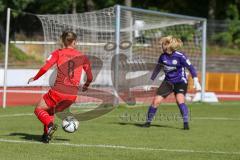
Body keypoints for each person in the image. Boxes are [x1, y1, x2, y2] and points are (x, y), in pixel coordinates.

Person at [28, 31, 93, 143]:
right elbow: (90, 77)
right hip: (72, 95)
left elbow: (45, 67)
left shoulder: (58, 53)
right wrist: (86, 86)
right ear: (74, 42)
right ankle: (46, 136)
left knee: (38, 109)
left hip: (58, 91)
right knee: (50, 111)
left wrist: (36, 77)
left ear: (63, 41)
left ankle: (50, 125)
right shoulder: (83, 57)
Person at [142, 35, 201, 130]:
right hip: (168, 82)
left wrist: (196, 80)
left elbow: (191, 68)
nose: (162, 46)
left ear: (168, 46)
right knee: (155, 101)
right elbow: (157, 69)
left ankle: (186, 124)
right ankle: (148, 122)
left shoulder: (180, 56)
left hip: (180, 82)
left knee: (180, 101)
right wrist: (150, 82)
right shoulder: (162, 56)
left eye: (163, 44)